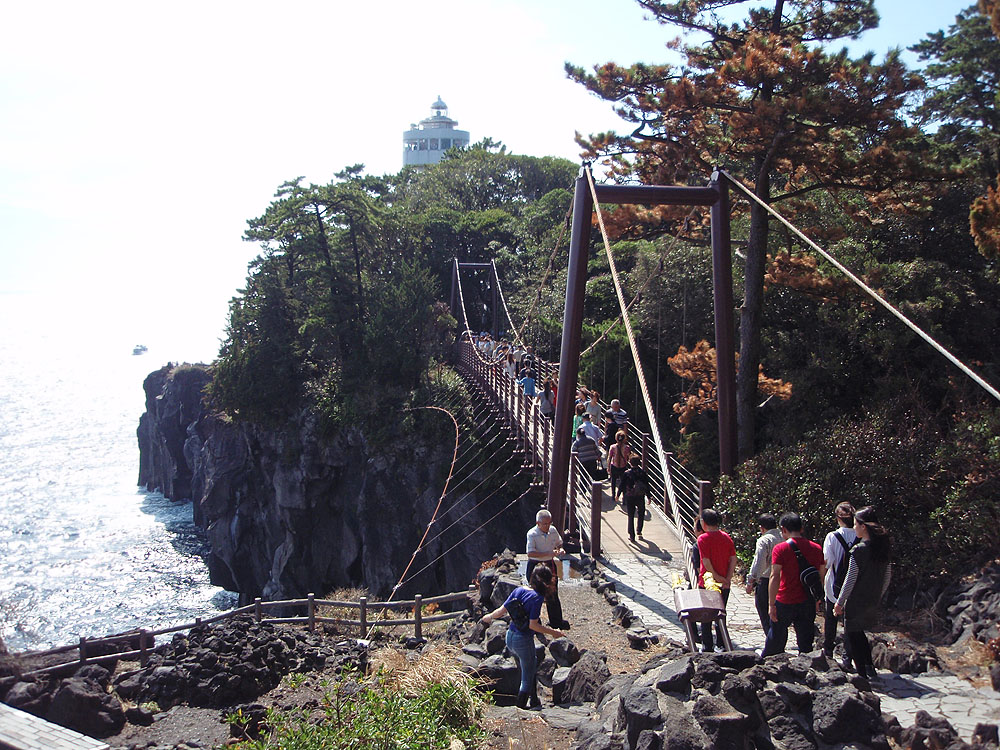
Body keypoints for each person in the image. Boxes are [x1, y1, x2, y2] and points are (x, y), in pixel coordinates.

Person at [481, 564, 566, 708]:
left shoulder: (519, 590)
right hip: (523, 640)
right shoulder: (537, 598)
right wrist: (554, 633)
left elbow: (501, 611)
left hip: (510, 637)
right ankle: (519, 710)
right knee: (526, 677)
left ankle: (534, 701)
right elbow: (533, 625)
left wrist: (488, 617)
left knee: (527, 667)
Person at [834, 506, 891, 679]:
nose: (854, 527)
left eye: (856, 524)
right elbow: (887, 577)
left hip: (856, 601)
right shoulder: (883, 548)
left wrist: (839, 602)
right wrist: (878, 596)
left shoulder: (858, 550)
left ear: (863, 526)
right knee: (860, 635)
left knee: (854, 636)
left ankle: (862, 676)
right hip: (872, 600)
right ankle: (869, 668)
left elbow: (850, 580)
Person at [762, 512, 827, 656]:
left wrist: (771, 604)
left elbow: (775, 575)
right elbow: (821, 575)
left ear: (783, 529)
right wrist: (818, 598)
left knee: (776, 638)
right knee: (805, 643)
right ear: (801, 528)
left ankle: (769, 668)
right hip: (807, 600)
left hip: (785, 599)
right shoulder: (816, 548)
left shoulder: (780, 549)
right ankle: (806, 669)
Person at [696, 508, 737, 652]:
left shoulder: (703, 538)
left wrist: (716, 576)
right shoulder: (726, 537)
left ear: (703, 522)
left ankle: (707, 646)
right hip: (724, 583)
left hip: (707, 582)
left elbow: (706, 561)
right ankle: (721, 643)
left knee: (706, 616)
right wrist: (728, 577)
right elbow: (733, 558)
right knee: (721, 613)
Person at [823, 502, 858, 667]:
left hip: (834, 586)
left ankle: (828, 653)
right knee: (850, 624)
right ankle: (847, 658)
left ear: (838, 518)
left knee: (830, 620)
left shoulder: (832, 537)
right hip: (855, 587)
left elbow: (827, 561)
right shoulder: (861, 536)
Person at [526, 510, 570, 630]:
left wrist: (560, 549)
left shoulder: (553, 530)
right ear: (538, 523)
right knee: (535, 594)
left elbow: (559, 543)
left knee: (553, 593)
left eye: (549, 523)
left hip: (550, 564)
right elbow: (530, 553)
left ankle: (556, 621)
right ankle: (534, 622)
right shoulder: (532, 534)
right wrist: (548, 553)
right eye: (544, 524)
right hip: (536, 564)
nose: (547, 526)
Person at [745, 513, 782, 635]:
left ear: (762, 528)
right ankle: (778, 639)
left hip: (766, 580)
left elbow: (759, 562)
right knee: (779, 613)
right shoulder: (784, 537)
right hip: (783, 580)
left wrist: (751, 580)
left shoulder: (764, 540)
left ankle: (770, 639)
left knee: (765, 611)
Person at [622, 456, 649, 543]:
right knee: (641, 513)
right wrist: (649, 496)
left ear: (630, 463)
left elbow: (622, 485)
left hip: (630, 496)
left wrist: (618, 495)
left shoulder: (627, 473)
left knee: (631, 516)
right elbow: (646, 485)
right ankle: (639, 530)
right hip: (640, 496)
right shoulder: (643, 472)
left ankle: (632, 535)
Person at [607, 430, 632, 503]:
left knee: (613, 481)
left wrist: (608, 467)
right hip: (623, 467)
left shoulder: (612, 447)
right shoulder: (627, 447)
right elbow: (629, 457)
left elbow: (609, 458)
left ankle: (613, 495)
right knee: (623, 482)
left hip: (614, 466)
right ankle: (624, 498)